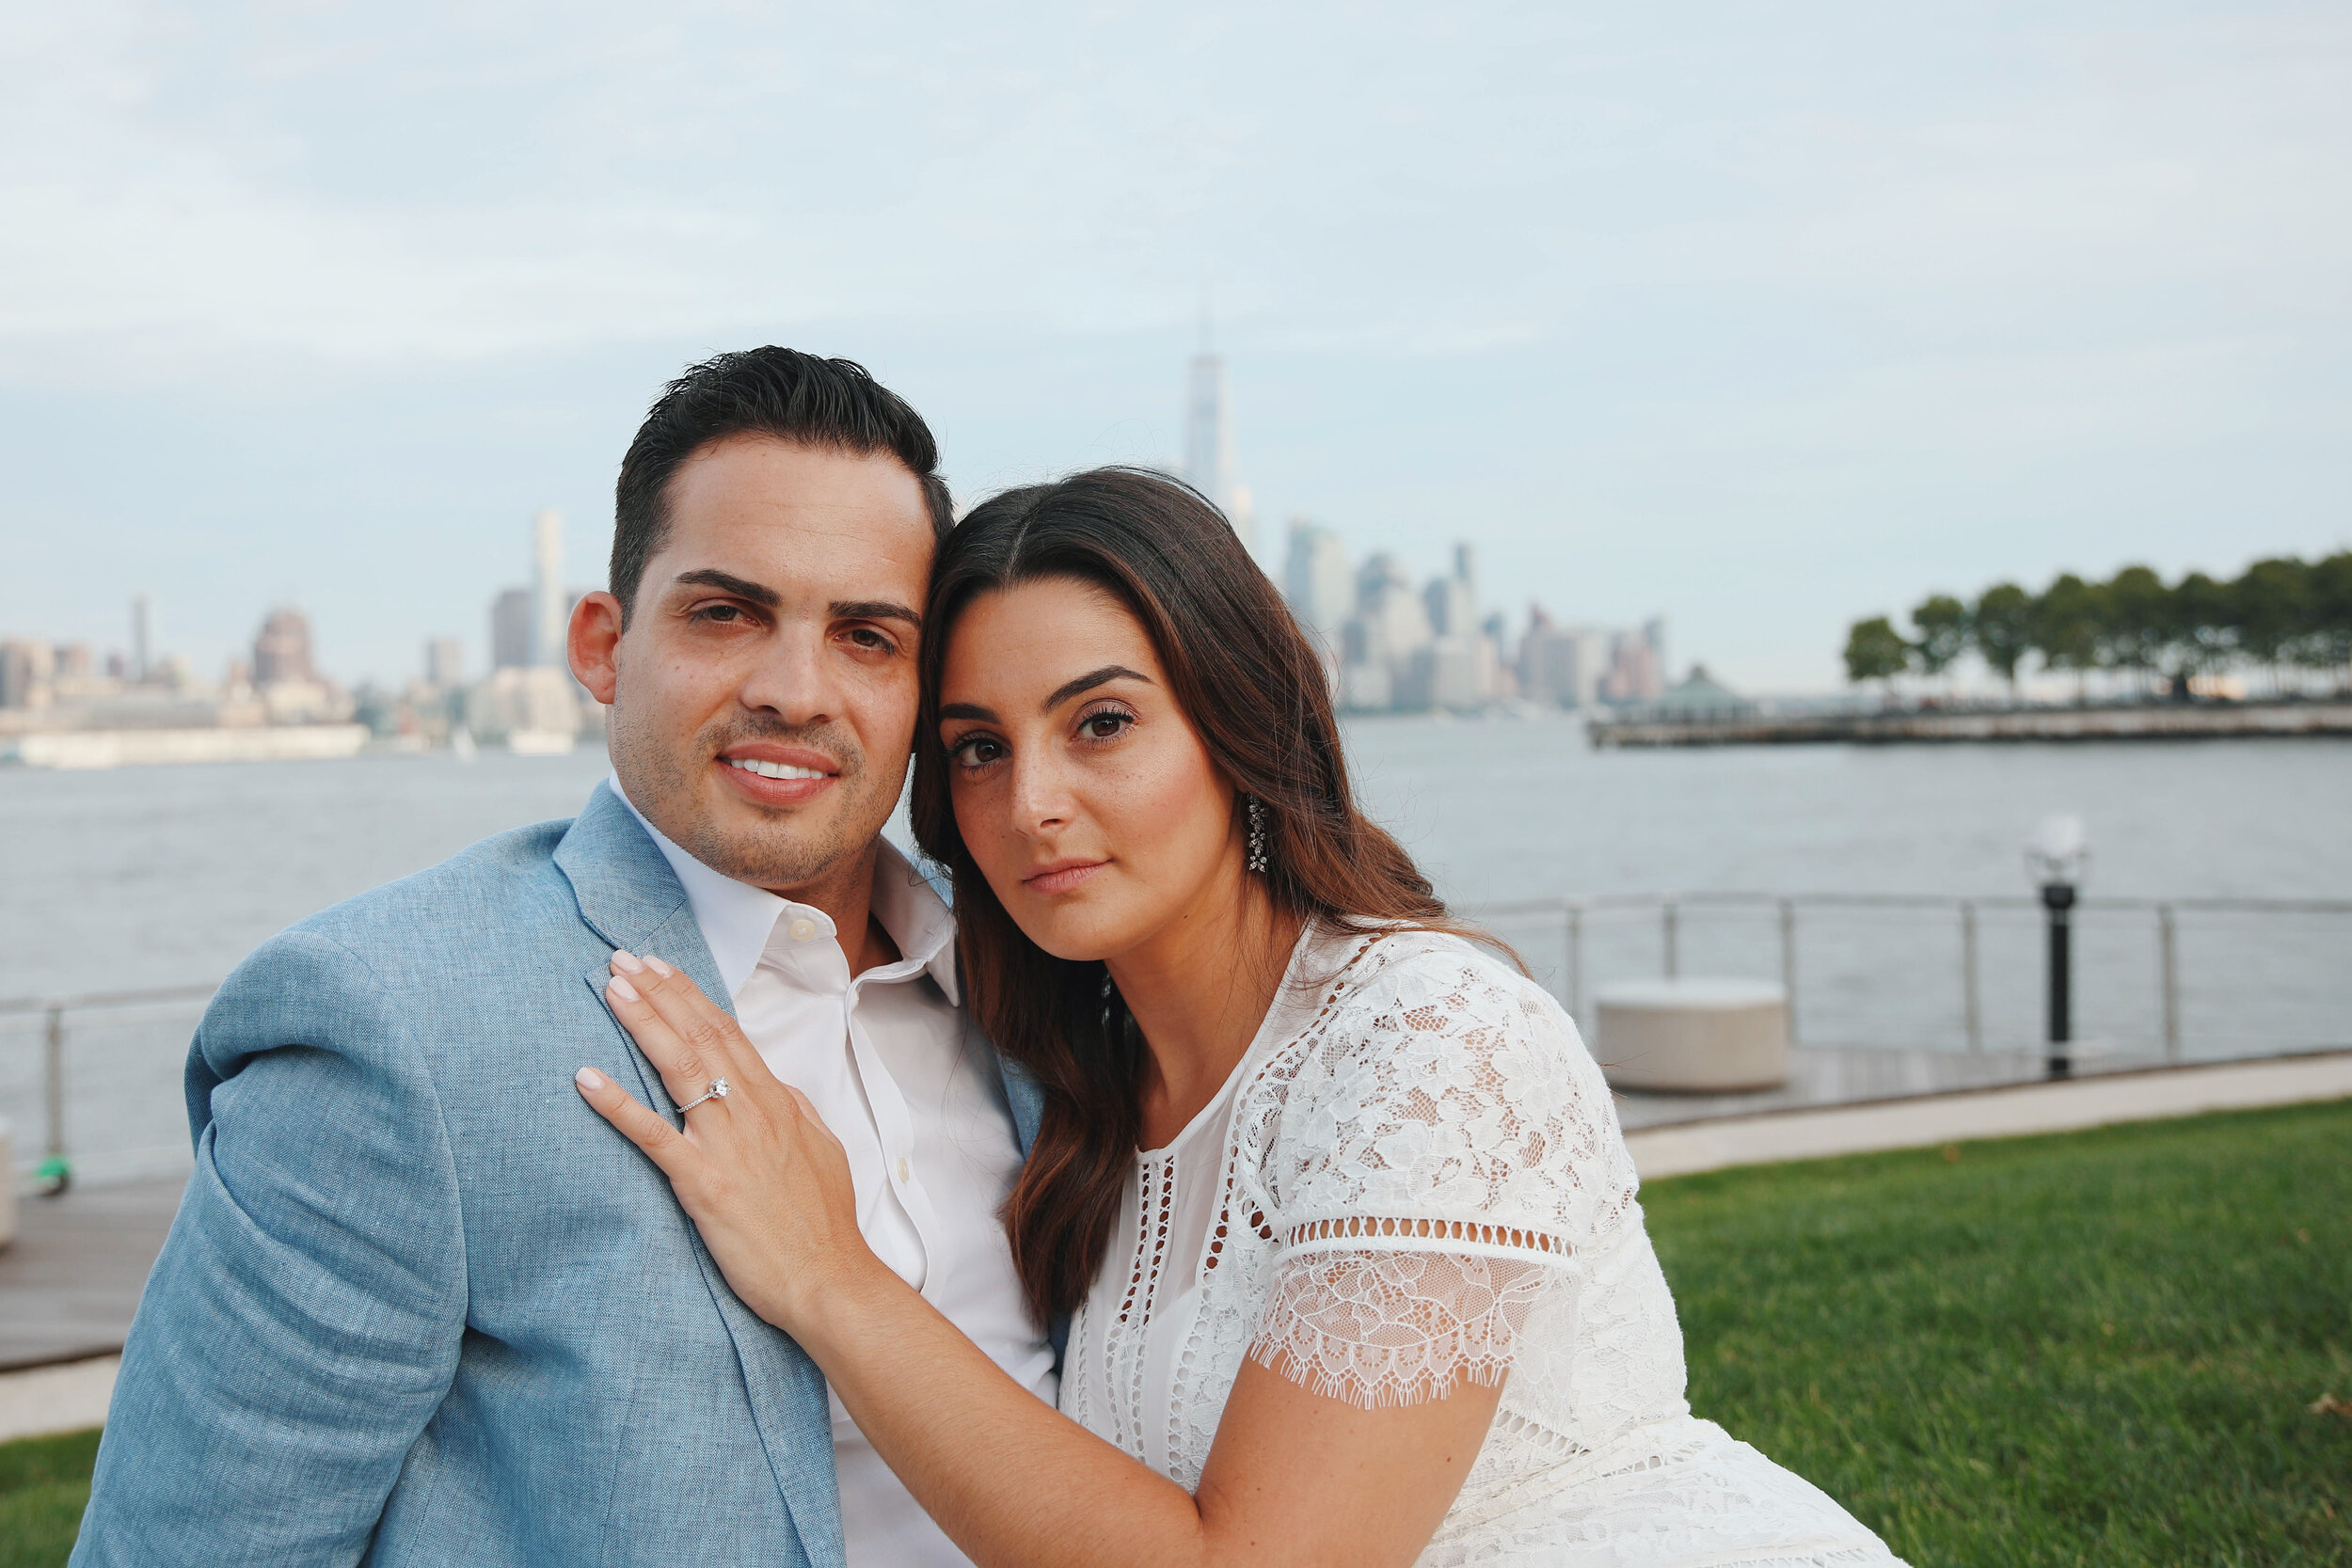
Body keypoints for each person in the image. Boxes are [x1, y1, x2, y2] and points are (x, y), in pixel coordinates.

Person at [579, 467, 1910, 1567]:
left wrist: (828, 1274)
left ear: (1237, 728)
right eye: (978, 746)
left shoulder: (1430, 1043)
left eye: (1099, 723)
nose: (1030, 802)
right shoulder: (1076, 1092)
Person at [72, 349, 1057, 1567]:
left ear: (924, 687)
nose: (797, 691)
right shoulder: (393, 1026)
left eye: (866, 636)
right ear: (602, 644)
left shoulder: (1031, 985)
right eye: (725, 613)